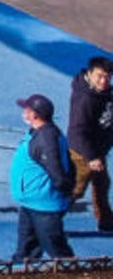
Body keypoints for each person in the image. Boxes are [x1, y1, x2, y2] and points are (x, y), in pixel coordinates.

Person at [10, 92, 75, 262]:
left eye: (26, 109)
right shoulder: (37, 133)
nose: (23, 112)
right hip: (30, 202)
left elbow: (56, 169)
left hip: (44, 206)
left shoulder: (46, 138)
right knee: (25, 252)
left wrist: (64, 192)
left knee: (58, 251)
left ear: (35, 114)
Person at [68, 56, 113, 232]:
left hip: (97, 150)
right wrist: (92, 157)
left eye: (107, 77)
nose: (103, 81)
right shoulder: (86, 98)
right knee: (76, 189)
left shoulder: (103, 93)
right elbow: (77, 130)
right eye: (99, 76)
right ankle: (48, 221)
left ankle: (106, 221)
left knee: (102, 184)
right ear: (90, 73)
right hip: (83, 153)